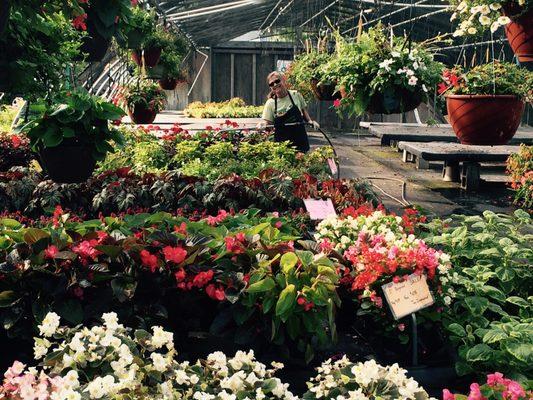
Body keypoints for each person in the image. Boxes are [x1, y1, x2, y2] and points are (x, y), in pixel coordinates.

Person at [256, 71, 320, 152]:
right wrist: (262, 124)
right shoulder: (270, 103)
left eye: (277, 81)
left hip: (300, 141)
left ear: (284, 80)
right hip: (281, 147)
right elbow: (266, 122)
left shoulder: (296, 95)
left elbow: (304, 112)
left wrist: (311, 121)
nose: (275, 84)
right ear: (270, 88)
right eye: (271, 84)